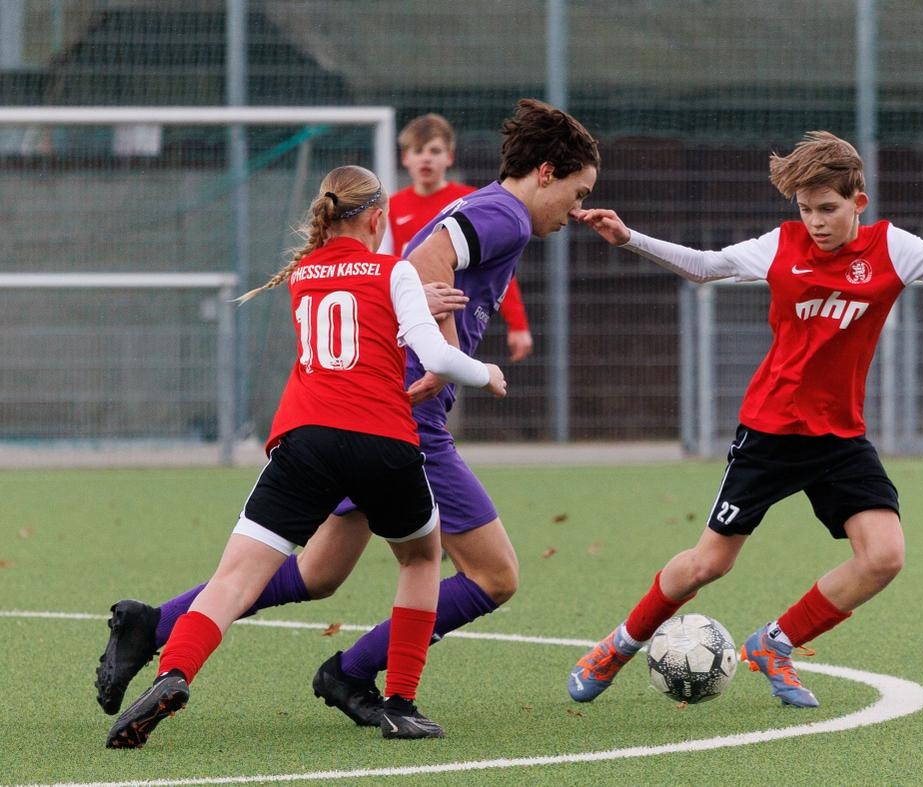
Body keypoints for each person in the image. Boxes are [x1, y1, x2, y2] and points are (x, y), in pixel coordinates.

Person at [96, 99, 599, 729]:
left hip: (355, 411)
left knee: (319, 573)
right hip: (403, 421)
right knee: (494, 575)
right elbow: (424, 263)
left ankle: (152, 626)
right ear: (546, 173)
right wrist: (444, 361)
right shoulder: (508, 215)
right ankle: (357, 673)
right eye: (578, 193)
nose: (575, 210)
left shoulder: (480, 205)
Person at [566, 131, 923, 708]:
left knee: (884, 557)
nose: (816, 222)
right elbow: (705, 267)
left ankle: (776, 643)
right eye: (806, 209)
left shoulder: (892, 248)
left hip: (839, 438)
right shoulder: (781, 245)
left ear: (859, 203)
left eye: (828, 209)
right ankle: (618, 646)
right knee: (707, 564)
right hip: (769, 433)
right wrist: (628, 238)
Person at [105, 165, 507, 748]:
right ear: (377, 218)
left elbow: (351, 311)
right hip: (383, 441)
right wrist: (486, 372)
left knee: (234, 579)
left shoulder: (302, 273)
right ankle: (400, 704)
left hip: (306, 440)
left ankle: (174, 673)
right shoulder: (394, 271)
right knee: (421, 560)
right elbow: (438, 358)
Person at [391, 112, 534, 362]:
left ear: (449, 156)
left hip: (458, 313)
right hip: (408, 313)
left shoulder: (471, 202)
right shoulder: (391, 207)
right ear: (405, 158)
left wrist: (518, 324)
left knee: (449, 372)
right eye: (418, 150)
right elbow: (388, 262)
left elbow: (500, 270)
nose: (426, 158)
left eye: (435, 151)